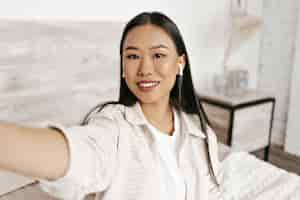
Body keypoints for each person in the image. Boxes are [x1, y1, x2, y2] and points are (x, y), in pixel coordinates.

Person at [0, 11, 222, 200]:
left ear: (179, 63)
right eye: (133, 56)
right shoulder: (113, 127)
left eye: (158, 55)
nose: (145, 68)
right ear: (123, 68)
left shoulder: (201, 135)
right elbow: (81, 154)